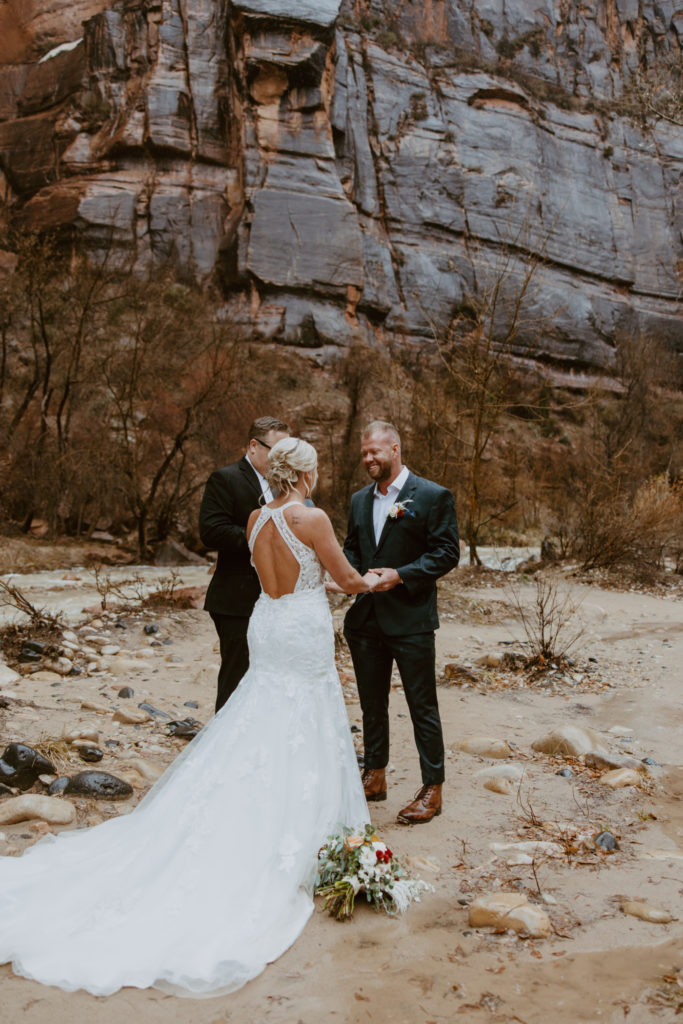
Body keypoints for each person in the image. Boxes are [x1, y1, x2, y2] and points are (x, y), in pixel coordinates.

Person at [0, 439, 381, 997]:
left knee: (259, 711)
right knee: (305, 714)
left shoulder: (256, 517)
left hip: (268, 620)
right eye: (317, 467)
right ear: (304, 473)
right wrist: (381, 578)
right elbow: (346, 581)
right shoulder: (313, 515)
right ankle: (301, 826)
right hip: (299, 628)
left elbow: (287, 574)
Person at [339, 420, 459, 825]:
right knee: (372, 703)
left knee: (421, 705)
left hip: (411, 619)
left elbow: (446, 553)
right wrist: (346, 577)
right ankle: (375, 775)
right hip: (366, 619)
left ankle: (433, 788)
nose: (368, 459)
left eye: (375, 451)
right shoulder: (358, 500)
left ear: (395, 448)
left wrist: (401, 574)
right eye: (364, 453)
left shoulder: (431, 495)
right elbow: (353, 549)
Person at [199, 416, 290, 712]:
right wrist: (263, 539)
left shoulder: (287, 485)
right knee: (237, 677)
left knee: (268, 676)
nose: (283, 458)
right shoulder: (226, 478)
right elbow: (211, 531)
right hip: (235, 598)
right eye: (278, 450)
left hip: (276, 599)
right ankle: (224, 747)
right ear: (254, 446)